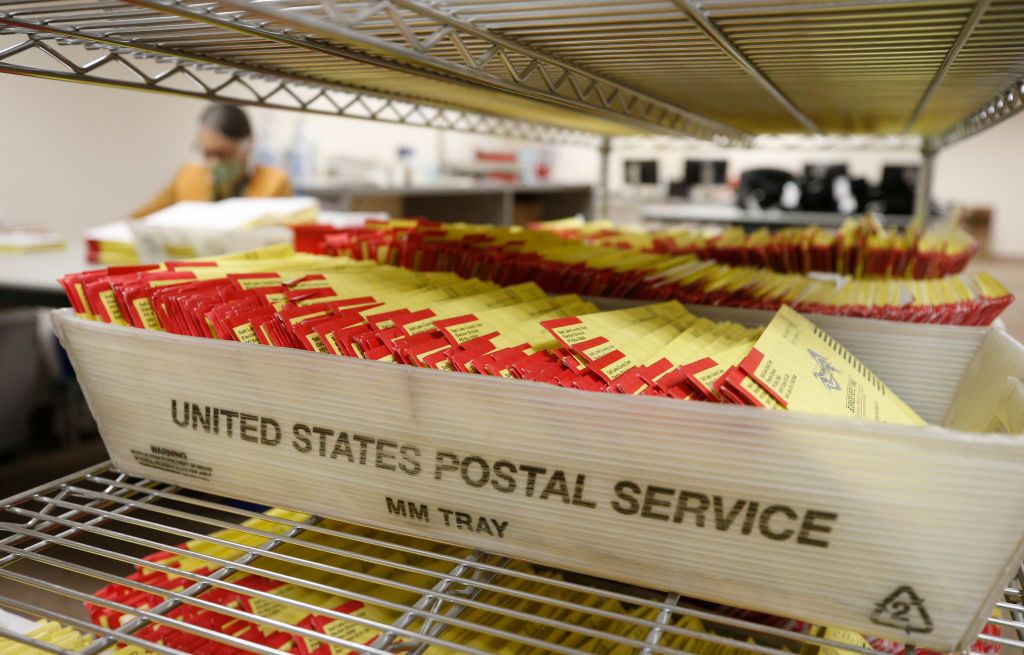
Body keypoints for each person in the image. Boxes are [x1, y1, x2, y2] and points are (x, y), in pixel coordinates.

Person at [132, 103, 292, 217]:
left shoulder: (274, 182)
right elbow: (142, 217)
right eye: (207, 154)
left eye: (223, 154)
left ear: (249, 145)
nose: (213, 163)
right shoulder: (188, 175)